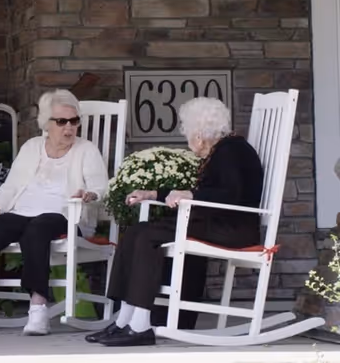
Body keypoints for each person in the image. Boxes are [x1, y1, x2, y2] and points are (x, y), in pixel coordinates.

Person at [87, 96, 264, 347]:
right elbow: (208, 192)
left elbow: (230, 195)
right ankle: (123, 319)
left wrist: (191, 194)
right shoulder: (225, 150)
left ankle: (140, 325)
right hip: (216, 222)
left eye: (188, 133)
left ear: (200, 135)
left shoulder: (232, 151)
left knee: (148, 236)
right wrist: (153, 194)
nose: (188, 140)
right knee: (138, 231)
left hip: (233, 229)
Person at [0, 89, 109, 337]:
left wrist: (89, 195)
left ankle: (38, 308)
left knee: (38, 228)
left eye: (74, 121)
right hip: (22, 213)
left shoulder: (86, 150)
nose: (69, 127)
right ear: (46, 123)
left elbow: (101, 188)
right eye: (62, 121)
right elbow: (10, 186)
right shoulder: (32, 147)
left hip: (64, 216)